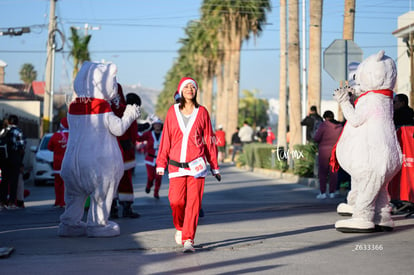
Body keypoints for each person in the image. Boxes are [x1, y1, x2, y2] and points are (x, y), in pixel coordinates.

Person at [58, 62, 141, 238]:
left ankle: (69, 224)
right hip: (98, 164)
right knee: (100, 196)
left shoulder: (73, 107)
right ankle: (98, 224)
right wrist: (130, 114)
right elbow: (117, 128)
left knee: (74, 198)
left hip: (72, 163)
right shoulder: (102, 107)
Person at [156, 77, 221, 253]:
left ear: (196, 91)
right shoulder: (172, 112)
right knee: (176, 201)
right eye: (186, 86)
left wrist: (214, 166)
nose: (190, 89)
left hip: (197, 166)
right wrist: (161, 162)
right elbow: (166, 139)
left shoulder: (203, 113)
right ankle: (180, 226)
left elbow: (209, 140)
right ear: (180, 90)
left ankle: (188, 239)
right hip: (176, 166)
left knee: (193, 204)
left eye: (193, 86)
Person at [110, 84, 141, 219]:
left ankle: (112, 208)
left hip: (110, 149)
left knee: (110, 179)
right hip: (124, 149)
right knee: (125, 180)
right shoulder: (126, 110)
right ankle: (126, 207)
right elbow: (133, 131)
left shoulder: (105, 109)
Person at [313, 110, 343, 199]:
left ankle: (323, 193)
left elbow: (316, 138)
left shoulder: (324, 125)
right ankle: (332, 192)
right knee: (334, 172)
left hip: (324, 152)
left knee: (323, 173)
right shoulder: (339, 126)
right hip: (335, 151)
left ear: (325, 117)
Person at [0, 115, 26, 210]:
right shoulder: (18, 131)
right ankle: (11, 202)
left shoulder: (3, 131)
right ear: (17, 122)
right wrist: (20, 161)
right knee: (13, 181)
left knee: (4, 180)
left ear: (9, 122)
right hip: (14, 158)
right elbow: (22, 146)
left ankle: (2, 202)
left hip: (3, 159)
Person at [137, 116, 164, 199]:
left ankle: (156, 192)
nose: (157, 126)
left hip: (161, 161)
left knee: (159, 177)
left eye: (159, 125)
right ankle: (149, 185)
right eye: (156, 124)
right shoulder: (149, 134)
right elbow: (139, 138)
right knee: (151, 176)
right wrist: (139, 129)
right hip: (149, 159)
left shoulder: (165, 134)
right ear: (153, 125)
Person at [47, 117, 69, 208]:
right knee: (66, 183)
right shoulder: (74, 135)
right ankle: (64, 202)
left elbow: (50, 147)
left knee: (57, 182)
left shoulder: (55, 136)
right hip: (68, 163)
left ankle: (58, 201)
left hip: (57, 163)